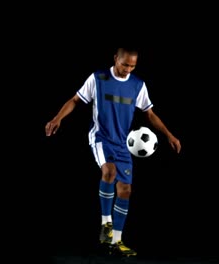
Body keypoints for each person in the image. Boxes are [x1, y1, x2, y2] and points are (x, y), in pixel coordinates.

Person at [45, 48, 181, 257]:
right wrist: (57, 118)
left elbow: (150, 113)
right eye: (124, 64)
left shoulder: (137, 85)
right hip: (101, 137)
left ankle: (116, 241)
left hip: (122, 143)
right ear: (115, 59)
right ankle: (105, 224)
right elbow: (75, 100)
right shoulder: (98, 78)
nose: (128, 69)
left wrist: (169, 134)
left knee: (125, 190)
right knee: (109, 171)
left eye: (132, 66)